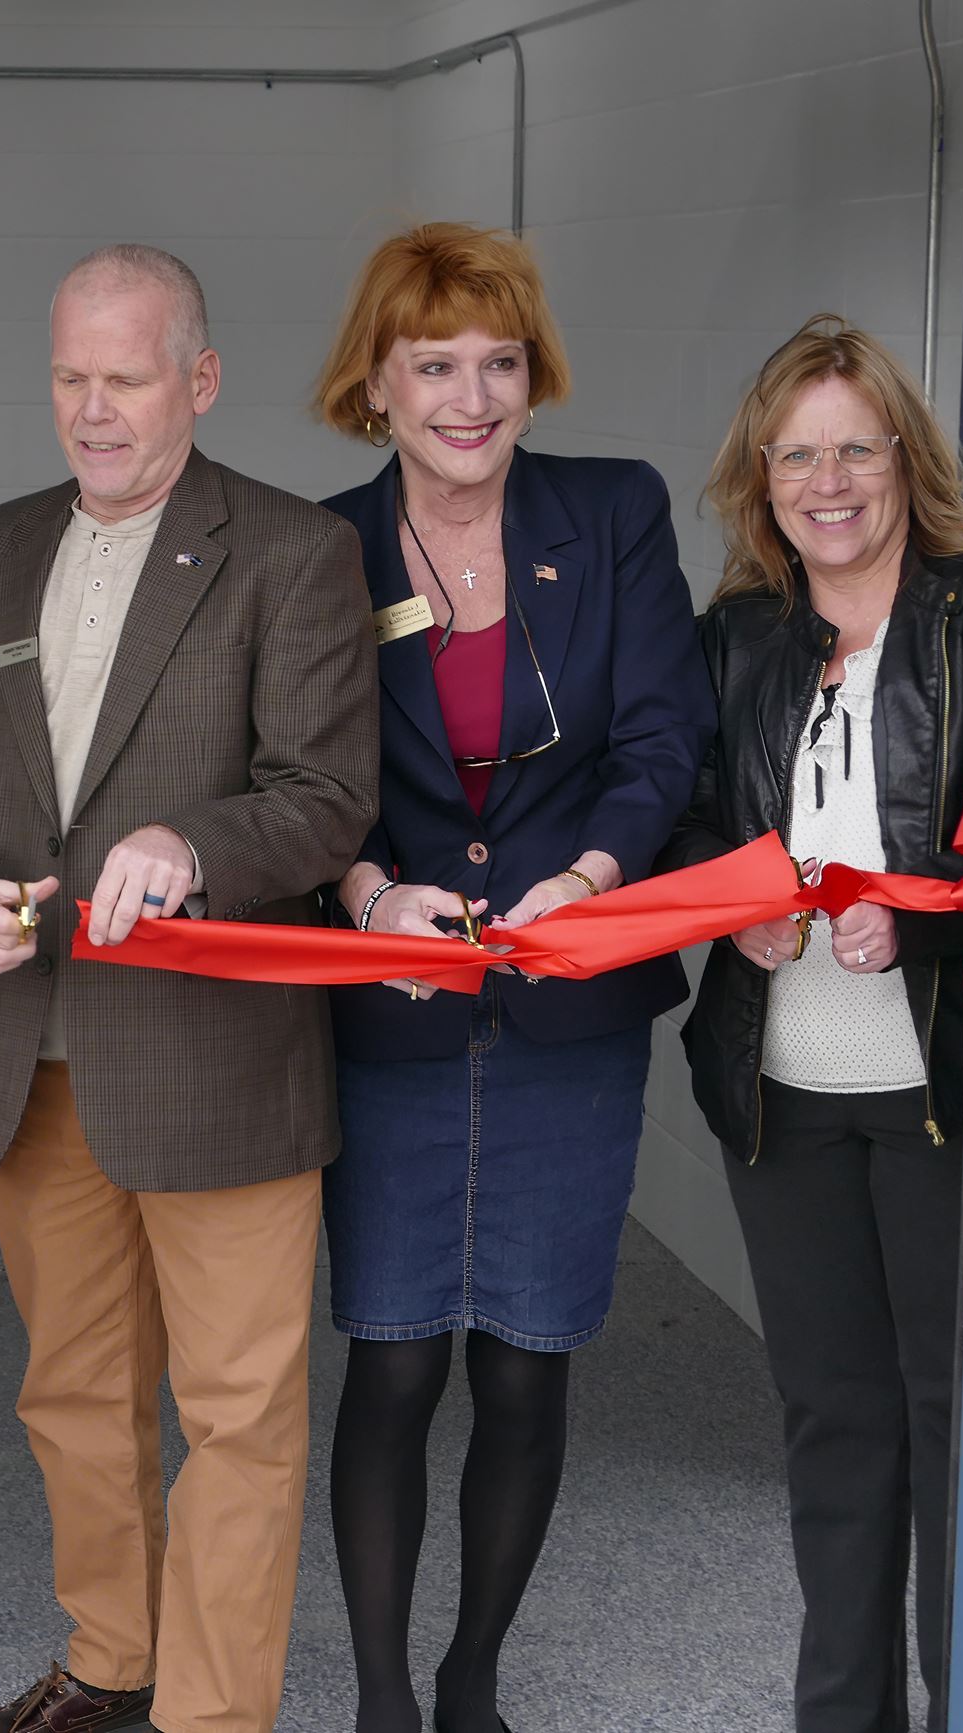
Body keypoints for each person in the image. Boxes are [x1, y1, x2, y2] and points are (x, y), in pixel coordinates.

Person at [0, 244, 379, 1733]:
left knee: (238, 1419)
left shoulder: (292, 553)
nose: (93, 410)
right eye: (70, 377)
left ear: (201, 380)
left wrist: (194, 841)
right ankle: (113, 1664)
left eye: (128, 376)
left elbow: (326, 795)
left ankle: (212, 1716)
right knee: (74, 1397)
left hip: (218, 1059)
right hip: (37, 1055)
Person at [310, 221, 711, 1733]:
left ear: (533, 376)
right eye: (435, 365)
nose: (469, 396)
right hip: (395, 1014)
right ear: (378, 382)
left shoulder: (610, 513)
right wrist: (363, 886)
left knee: (528, 1371)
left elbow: (663, 735)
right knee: (397, 1364)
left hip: (571, 1013)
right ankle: (380, 1696)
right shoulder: (324, 546)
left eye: (498, 361)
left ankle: (473, 1677)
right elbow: (302, 765)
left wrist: (597, 875)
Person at [666, 315, 963, 1733]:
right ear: (763, 476)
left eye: (857, 446)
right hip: (778, 1092)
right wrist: (723, 905)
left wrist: (923, 923)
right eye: (798, 453)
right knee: (835, 1428)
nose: (829, 480)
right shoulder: (738, 635)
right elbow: (682, 826)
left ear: (905, 458)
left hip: (946, 1095)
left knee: (953, 1428)